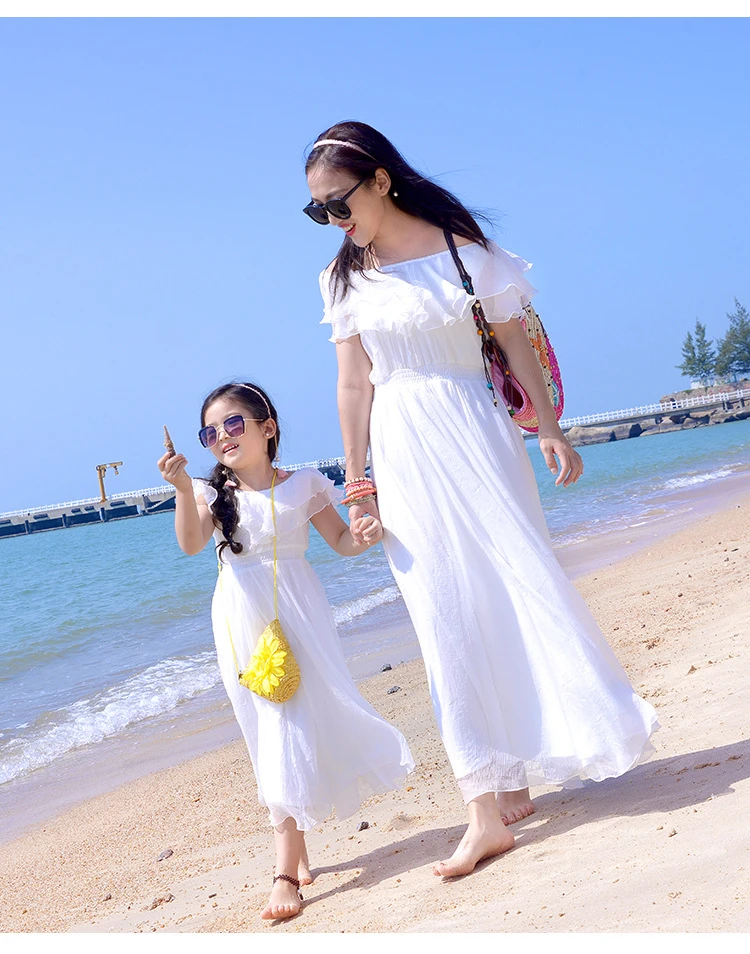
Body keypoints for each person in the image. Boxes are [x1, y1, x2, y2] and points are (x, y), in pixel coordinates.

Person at [303, 121, 657, 878]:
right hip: (401, 449)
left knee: (514, 585)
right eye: (318, 213)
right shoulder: (344, 280)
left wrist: (551, 428)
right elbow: (352, 385)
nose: (334, 222)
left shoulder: (462, 247)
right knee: (441, 614)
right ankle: (483, 804)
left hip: (478, 431)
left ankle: (519, 764)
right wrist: (358, 481)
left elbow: (515, 340)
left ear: (380, 180)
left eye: (338, 203)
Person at [157, 381, 414, 920]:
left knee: (290, 725)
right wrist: (183, 488)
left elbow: (343, 543)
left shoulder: (306, 485)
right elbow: (189, 544)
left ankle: (284, 870)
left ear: (266, 427)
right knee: (265, 730)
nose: (222, 437)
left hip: (299, 617)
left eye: (233, 423)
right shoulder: (210, 495)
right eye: (210, 431)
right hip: (238, 623)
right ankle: (294, 851)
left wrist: (368, 531)